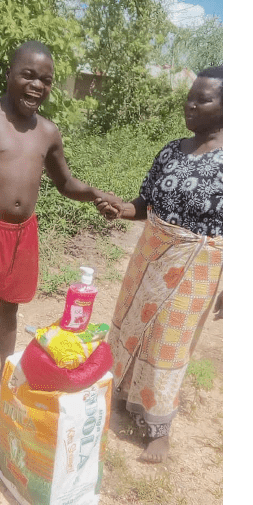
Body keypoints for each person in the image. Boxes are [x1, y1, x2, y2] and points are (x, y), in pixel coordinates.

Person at [0, 40, 121, 408]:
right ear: (9, 74)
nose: (36, 85)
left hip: (22, 234)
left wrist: (95, 194)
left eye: (45, 80)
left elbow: (65, 184)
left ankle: (7, 368)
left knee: (10, 306)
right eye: (27, 75)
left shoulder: (47, 131)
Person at [95, 65, 224, 462]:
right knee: (130, 324)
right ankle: (120, 395)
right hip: (150, 255)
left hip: (196, 266)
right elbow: (145, 203)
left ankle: (158, 429)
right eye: (190, 95)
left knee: (170, 342)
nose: (191, 103)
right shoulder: (171, 149)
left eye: (203, 99)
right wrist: (121, 210)